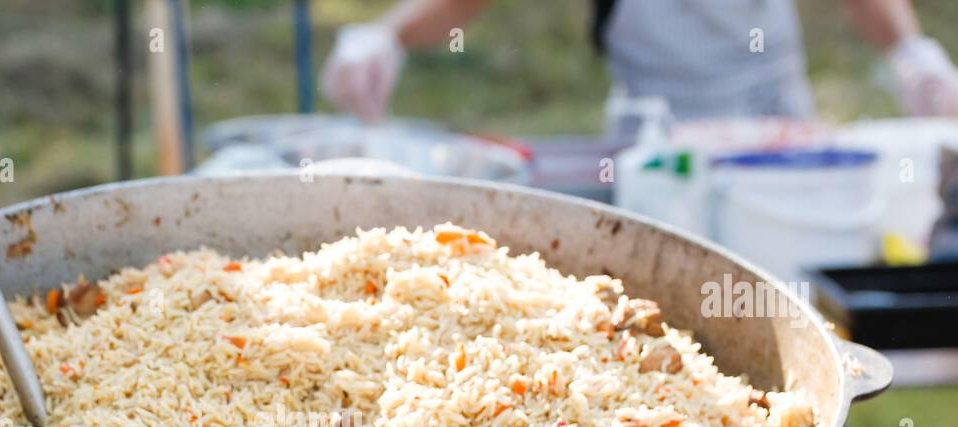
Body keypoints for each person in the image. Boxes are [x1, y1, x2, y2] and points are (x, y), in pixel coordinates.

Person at [321, 0, 958, 123]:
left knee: (795, 305)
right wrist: (385, 36)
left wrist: (910, 49)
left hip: (775, 125)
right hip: (657, 134)